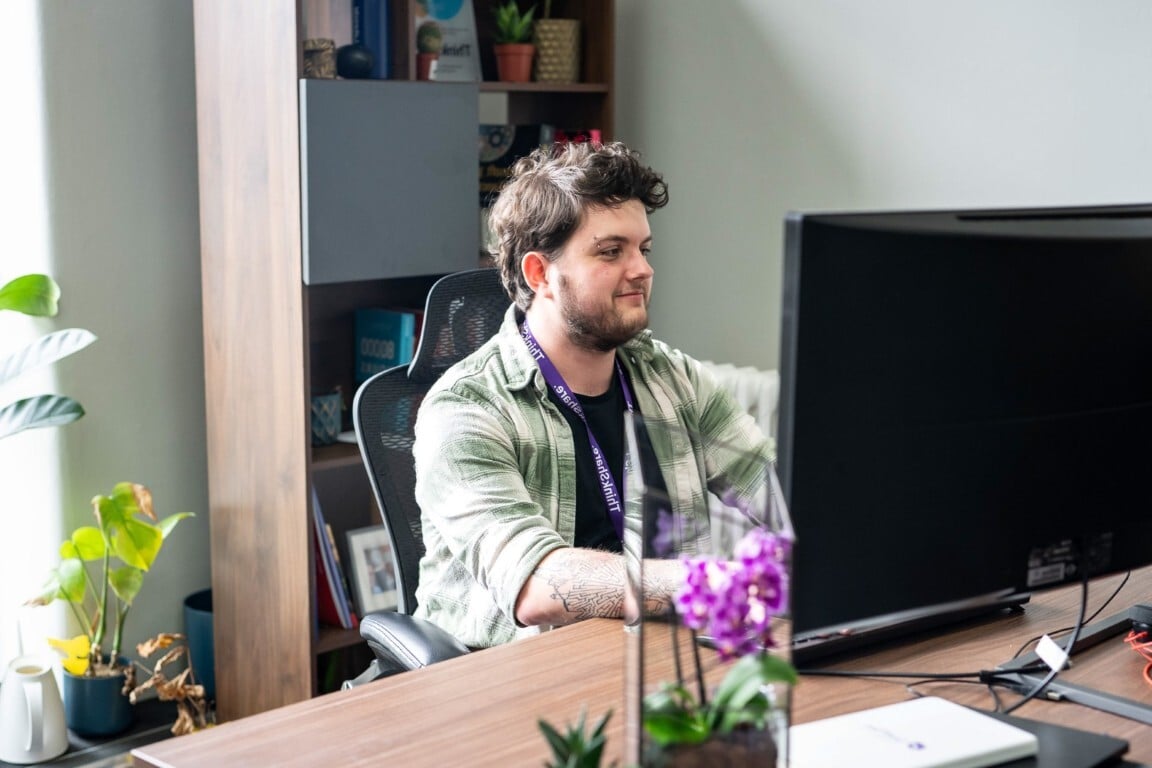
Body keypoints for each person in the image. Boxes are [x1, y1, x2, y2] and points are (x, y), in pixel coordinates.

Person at [412, 141, 776, 649]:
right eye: (611, 251)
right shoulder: (466, 410)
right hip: (511, 679)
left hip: (658, 656)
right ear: (540, 274)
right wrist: (709, 583)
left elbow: (772, 486)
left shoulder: (672, 378)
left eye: (643, 249)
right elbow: (536, 584)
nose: (642, 269)